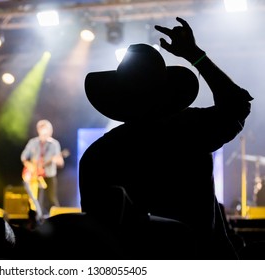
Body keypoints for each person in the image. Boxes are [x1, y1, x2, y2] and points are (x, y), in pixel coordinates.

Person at [79, 17, 253, 259]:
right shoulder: (189, 129)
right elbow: (237, 104)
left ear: (117, 98)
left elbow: (97, 234)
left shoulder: (99, 154)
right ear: (168, 91)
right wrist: (195, 55)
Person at [21, 119, 64, 217]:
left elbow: (60, 162)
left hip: (49, 174)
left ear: (50, 131)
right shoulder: (33, 142)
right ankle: (34, 218)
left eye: (47, 130)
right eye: (43, 130)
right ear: (38, 130)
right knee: (34, 199)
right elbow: (23, 157)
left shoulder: (54, 144)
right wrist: (30, 165)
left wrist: (56, 160)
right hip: (34, 176)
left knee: (51, 198)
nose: (45, 132)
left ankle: (56, 218)